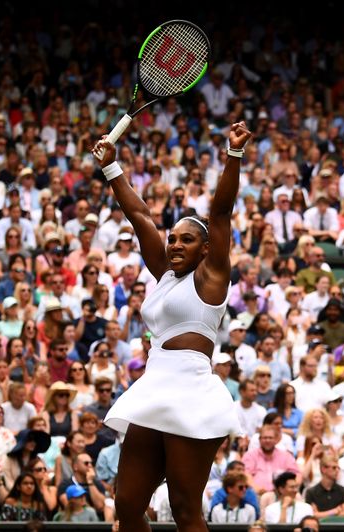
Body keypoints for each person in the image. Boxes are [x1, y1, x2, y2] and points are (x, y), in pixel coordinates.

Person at [92, 123, 251, 531]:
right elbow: (140, 216)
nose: (176, 244)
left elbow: (220, 212)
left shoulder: (212, 276)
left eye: (187, 240)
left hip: (191, 391)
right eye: (173, 239)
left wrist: (233, 155)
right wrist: (111, 168)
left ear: (206, 249)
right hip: (154, 387)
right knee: (127, 503)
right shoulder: (165, 274)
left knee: (184, 507)